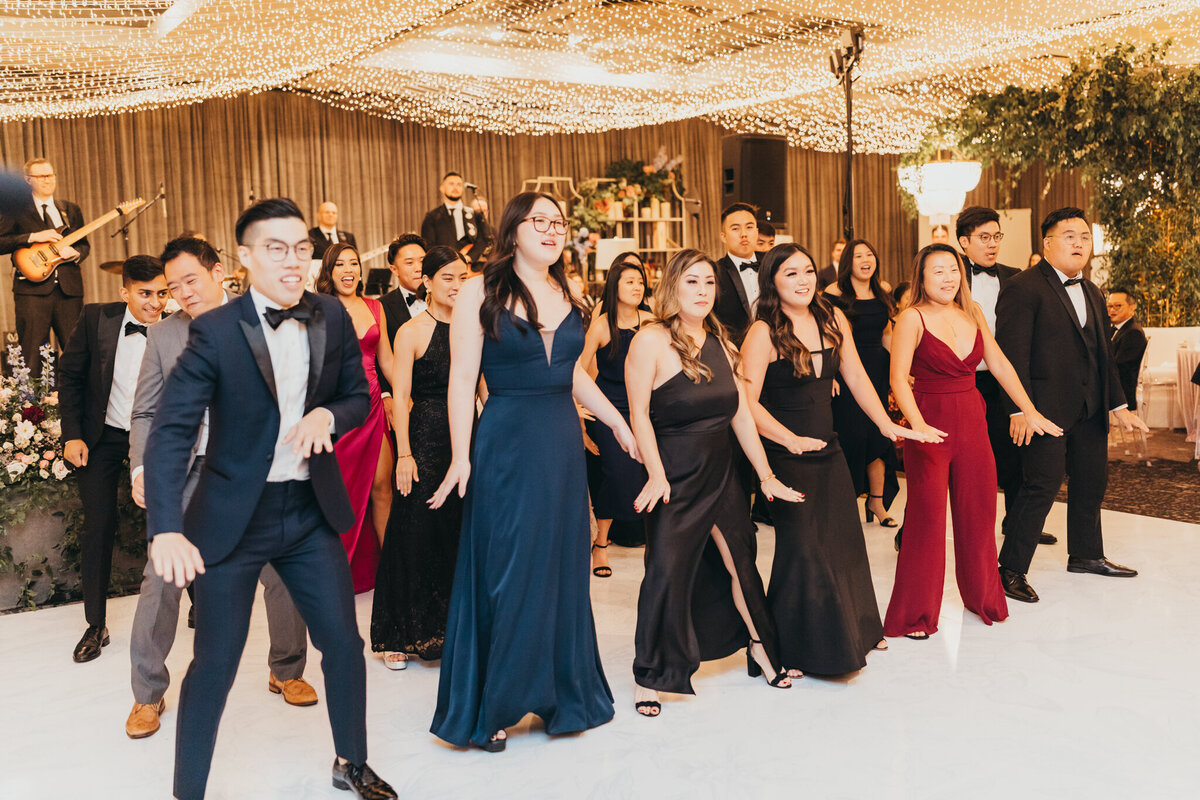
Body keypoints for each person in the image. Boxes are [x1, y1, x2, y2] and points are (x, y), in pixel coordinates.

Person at [143, 198, 394, 799]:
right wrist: (166, 526)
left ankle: (351, 763)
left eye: (301, 248)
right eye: (276, 248)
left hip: (308, 513)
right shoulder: (215, 331)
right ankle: (188, 792)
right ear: (247, 257)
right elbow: (172, 429)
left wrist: (328, 414)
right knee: (216, 663)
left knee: (342, 642)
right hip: (233, 518)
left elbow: (362, 395)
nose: (292, 260)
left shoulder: (332, 315)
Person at [428, 191, 639, 752]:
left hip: (560, 444)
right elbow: (460, 379)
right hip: (505, 441)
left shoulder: (569, 291)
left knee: (559, 567)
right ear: (513, 229)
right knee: (508, 566)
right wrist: (460, 454)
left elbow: (572, 374)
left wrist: (617, 424)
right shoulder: (480, 289)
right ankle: (495, 702)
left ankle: (559, 695)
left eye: (557, 223)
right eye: (537, 221)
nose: (549, 230)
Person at [124, 237, 313, 740]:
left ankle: (287, 670)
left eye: (191, 280)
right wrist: (142, 470)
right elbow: (144, 411)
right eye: (172, 287)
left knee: (281, 571)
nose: (183, 293)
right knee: (161, 579)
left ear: (217, 273)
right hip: (186, 475)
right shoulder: (163, 336)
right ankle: (147, 693)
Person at [626, 249, 804, 717]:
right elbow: (639, 415)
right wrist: (657, 474)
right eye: (692, 282)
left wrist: (765, 474)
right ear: (671, 288)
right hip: (674, 473)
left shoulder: (723, 341)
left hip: (723, 470)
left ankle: (761, 647)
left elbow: (741, 412)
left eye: (708, 283)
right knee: (666, 569)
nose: (702, 291)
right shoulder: (649, 339)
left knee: (740, 561)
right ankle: (651, 674)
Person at [742, 243, 920, 673]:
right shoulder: (762, 332)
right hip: (785, 453)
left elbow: (855, 375)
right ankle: (796, 647)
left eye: (807, 271)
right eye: (790, 274)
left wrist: (884, 423)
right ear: (772, 281)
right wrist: (788, 439)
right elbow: (744, 403)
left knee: (843, 541)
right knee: (802, 548)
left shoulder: (832, 317)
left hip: (828, 444)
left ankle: (857, 630)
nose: (803, 280)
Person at [884, 244, 1062, 638]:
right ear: (922, 278)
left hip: (972, 422)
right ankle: (917, 614)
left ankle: (983, 597)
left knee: (978, 514)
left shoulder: (974, 312)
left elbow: (998, 364)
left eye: (953, 270)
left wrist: (1029, 410)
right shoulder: (910, 318)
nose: (948, 278)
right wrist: (918, 425)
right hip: (929, 425)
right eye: (938, 271)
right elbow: (898, 379)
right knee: (927, 521)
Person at [995, 207, 1148, 604]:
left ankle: (1086, 554)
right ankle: (1010, 569)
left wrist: (1119, 406)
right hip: (1043, 411)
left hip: (1090, 410)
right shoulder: (1021, 287)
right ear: (1047, 242)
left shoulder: (1095, 291)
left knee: (1091, 484)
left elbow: (1103, 358)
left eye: (1084, 236)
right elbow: (1010, 357)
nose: (1079, 242)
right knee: (1040, 486)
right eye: (1069, 236)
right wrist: (1019, 410)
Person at [58, 255, 168, 663]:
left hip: (154, 439)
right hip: (102, 437)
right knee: (99, 524)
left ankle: (196, 602)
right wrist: (72, 435)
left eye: (162, 293)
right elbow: (69, 376)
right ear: (125, 292)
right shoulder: (95, 319)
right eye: (145, 294)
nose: (155, 303)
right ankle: (95, 624)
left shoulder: (178, 328)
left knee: (169, 518)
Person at [371, 246, 470, 670]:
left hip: (466, 439)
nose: (456, 285)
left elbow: (483, 391)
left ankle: (454, 628)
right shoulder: (411, 331)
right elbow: (404, 398)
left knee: (459, 533)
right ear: (427, 282)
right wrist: (405, 455)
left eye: (462, 277)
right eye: (447, 276)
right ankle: (399, 634)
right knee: (413, 531)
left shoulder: (473, 329)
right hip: (425, 439)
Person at [957, 207, 1057, 546]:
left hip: (1003, 379)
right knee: (947, 458)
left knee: (1017, 453)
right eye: (984, 238)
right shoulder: (949, 279)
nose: (992, 244)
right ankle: (911, 527)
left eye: (997, 236)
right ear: (963, 241)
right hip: (962, 380)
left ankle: (1018, 524)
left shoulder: (1015, 277)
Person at [316, 242, 394, 592]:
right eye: (340, 265)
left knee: (382, 487)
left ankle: (393, 569)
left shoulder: (376, 307)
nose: (348, 270)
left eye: (354, 264)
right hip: (338, 409)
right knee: (341, 491)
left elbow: (387, 360)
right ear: (329, 273)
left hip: (374, 404)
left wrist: (403, 394)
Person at [579, 252, 652, 577]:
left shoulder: (651, 322)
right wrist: (579, 415)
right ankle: (601, 545)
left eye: (640, 282)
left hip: (646, 410)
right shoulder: (601, 325)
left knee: (649, 472)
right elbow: (577, 371)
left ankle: (656, 538)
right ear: (615, 286)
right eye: (630, 281)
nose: (637, 287)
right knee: (616, 474)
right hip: (609, 412)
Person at [824, 239, 899, 527]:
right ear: (847, 262)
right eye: (858, 256)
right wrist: (829, 373)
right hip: (846, 371)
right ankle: (846, 501)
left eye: (870, 254)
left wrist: (900, 371)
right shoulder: (833, 294)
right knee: (851, 436)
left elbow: (887, 333)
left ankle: (877, 503)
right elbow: (826, 336)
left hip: (877, 370)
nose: (866, 259)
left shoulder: (884, 291)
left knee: (879, 436)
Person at [0, 158, 89, 377]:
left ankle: (77, 405)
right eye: (41, 176)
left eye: (51, 175)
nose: (48, 180)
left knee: (75, 352)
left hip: (69, 292)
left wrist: (76, 254)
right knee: (31, 355)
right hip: (31, 292)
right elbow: (2, 241)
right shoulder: (16, 211)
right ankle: (32, 409)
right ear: (28, 180)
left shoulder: (69, 209)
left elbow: (84, 245)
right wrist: (32, 237)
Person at [377, 233, 428, 403]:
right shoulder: (381, 306)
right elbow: (377, 359)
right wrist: (385, 395)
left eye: (422, 260)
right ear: (394, 269)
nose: (418, 268)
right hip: (403, 400)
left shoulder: (445, 299)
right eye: (409, 262)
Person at [712, 202, 759, 346]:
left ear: (756, 232)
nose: (743, 234)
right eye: (735, 228)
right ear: (723, 236)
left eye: (749, 227)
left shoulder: (774, 266)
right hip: (733, 351)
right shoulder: (714, 272)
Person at [420, 171, 492, 261]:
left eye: (459, 184)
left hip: (473, 269)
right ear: (442, 188)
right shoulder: (432, 217)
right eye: (451, 184)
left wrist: (469, 257)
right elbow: (428, 245)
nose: (455, 187)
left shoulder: (475, 215)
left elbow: (483, 240)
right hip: (444, 266)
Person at [1107, 288, 1148, 411]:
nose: (1112, 310)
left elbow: (1119, 367)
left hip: (1122, 391)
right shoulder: (1116, 329)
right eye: (1109, 306)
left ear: (1132, 307)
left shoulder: (1133, 332)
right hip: (1115, 385)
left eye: (1118, 306)